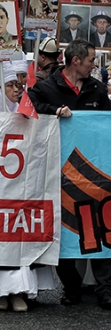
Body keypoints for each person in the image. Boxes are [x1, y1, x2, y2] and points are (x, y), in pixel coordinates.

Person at [28, 39, 111, 310]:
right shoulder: (46, 88)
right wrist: (54, 111)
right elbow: (27, 109)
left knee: (100, 228)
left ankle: (106, 289)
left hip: (95, 175)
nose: (94, 65)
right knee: (63, 232)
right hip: (58, 174)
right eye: (91, 60)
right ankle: (71, 287)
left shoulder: (97, 89)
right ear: (75, 61)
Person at [0, 62, 56, 311]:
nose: (18, 89)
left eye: (19, 84)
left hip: (22, 186)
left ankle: (19, 291)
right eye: (10, 85)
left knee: (19, 236)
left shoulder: (28, 111)